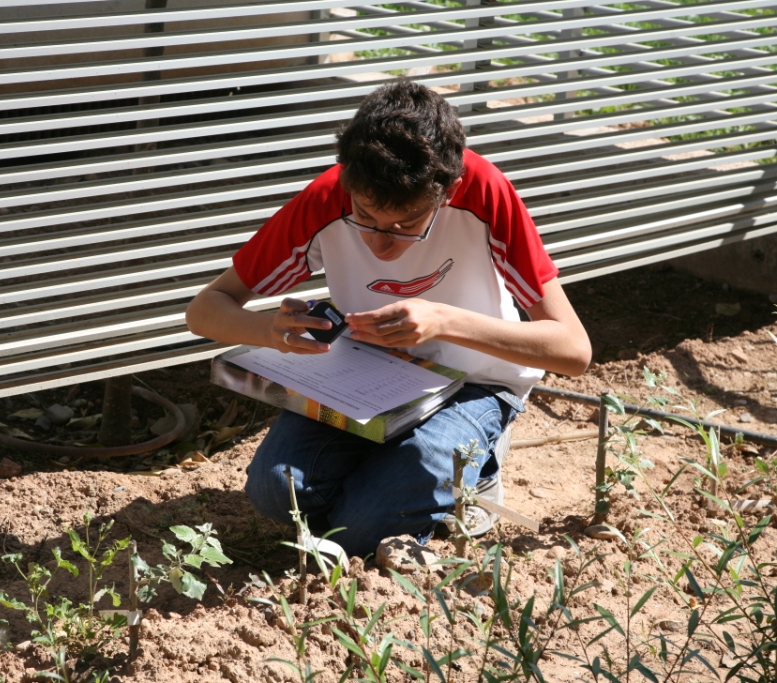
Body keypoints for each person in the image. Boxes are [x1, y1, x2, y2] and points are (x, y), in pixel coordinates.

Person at [186, 79, 591, 558]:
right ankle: (401, 477)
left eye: (405, 227)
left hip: (475, 381)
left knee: (363, 530)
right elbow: (205, 311)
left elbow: (573, 350)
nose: (380, 245)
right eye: (365, 218)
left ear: (448, 191)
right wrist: (267, 328)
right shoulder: (329, 195)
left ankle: (474, 471)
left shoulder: (484, 192)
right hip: (368, 377)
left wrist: (444, 321)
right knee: (277, 491)